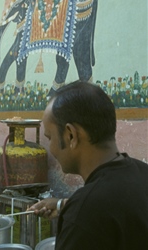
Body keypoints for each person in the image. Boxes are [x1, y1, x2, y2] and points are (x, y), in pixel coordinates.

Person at [28, 81, 148, 249]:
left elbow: (98, 208)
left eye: (50, 138)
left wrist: (75, 210)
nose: (51, 148)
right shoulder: (142, 173)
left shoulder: (83, 216)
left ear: (71, 135)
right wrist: (63, 205)